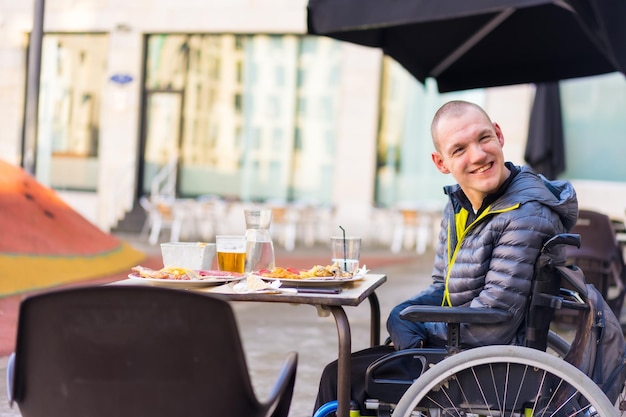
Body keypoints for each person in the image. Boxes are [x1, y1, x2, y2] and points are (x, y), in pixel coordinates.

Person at [313, 100, 578, 415]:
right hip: (459, 351)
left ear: (499, 135)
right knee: (365, 353)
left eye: (483, 139)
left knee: (338, 378)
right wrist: (405, 314)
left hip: (489, 368)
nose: (478, 155)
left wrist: (419, 327)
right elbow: (443, 284)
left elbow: (494, 323)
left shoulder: (525, 214)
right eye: (459, 149)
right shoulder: (459, 203)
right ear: (441, 162)